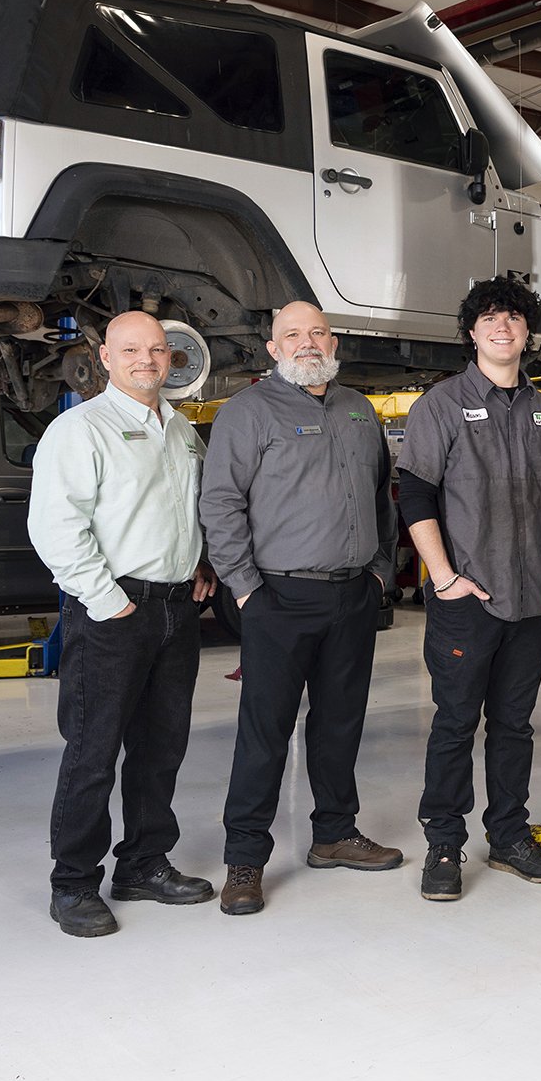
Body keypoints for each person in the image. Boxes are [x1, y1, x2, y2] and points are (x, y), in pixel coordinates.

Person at [201, 301, 402, 916]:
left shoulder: (358, 408)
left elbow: (380, 496)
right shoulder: (247, 412)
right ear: (274, 348)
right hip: (278, 596)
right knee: (265, 732)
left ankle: (335, 834)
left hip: (352, 593)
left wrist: (379, 571)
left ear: (332, 340)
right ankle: (245, 860)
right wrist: (243, 586)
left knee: (340, 723)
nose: (306, 342)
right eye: (292, 335)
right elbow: (219, 502)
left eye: (316, 332)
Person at [29, 310, 218, 937]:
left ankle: (142, 863)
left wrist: (201, 565)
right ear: (104, 358)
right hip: (112, 611)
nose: (148, 361)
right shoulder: (80, 429)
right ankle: (73, 882)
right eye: (132, 350)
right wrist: (104, 598)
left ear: (172, 360)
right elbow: (56, 526)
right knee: (93, 750)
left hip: (175, 609)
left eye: (159, 351)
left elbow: (187, 510)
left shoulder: (183, 433)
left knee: (160, 748)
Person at [396, 277, 541, 901]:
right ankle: (444, 843)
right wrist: (443, 578)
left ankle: (508, 836)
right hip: (466, 602)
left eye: (514, 319)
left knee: (514, 725)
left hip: (529, 600)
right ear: (472, 333)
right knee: (454, 724)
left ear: (529, 332)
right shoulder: (440, 406)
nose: (504, 328)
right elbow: (416, 495)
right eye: (490, 319)